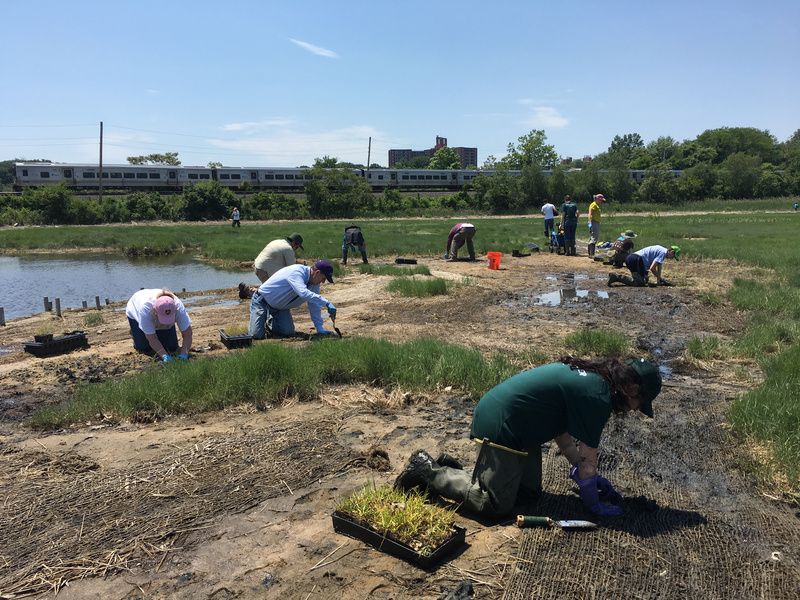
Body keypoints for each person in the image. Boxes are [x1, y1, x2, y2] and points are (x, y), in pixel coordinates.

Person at [395, 357, 662, 519]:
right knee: (494, 504)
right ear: (632, 388)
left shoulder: (597, 381)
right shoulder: (598, 398)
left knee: (528, 495)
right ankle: (426, 468)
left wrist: (580, 471)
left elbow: (563, 433)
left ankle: (453, 469)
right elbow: (589, 456)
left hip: (524, 427)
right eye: (640, 402)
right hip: (503, 424)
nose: (636, 409)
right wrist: (591, 497)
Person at [249, 259, 337, 339]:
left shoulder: (314, 284)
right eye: (323, 278)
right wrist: (327, 303)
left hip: (280, 308)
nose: (323, 282)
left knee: (287, 332)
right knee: (256, 335)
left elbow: (314, 305)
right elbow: (303, 293)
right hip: (262, 301)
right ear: (317, 272)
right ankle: (263, 318)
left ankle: (270, 321)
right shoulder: (297, 272)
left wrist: (319, 328)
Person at [125, 289, 192, 362]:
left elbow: (188, 334)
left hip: (155, 318)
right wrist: (164, 356)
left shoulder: (178, 306)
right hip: (135, 310)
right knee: (144, 348)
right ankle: (135, 332)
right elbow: (152, 338)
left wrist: (184, 354)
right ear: (155, 311)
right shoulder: (145, 309)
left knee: (171, 347)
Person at [609, 244, 680, 287]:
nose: (672, 259)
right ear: (671, 252)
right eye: (673, 256)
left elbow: (659, 266)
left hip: (631, 259)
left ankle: (617, 277)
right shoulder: (662, 253)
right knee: (639, 283)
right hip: (636, 259)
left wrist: (659, 280)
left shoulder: (662, 250)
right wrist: (660, 279)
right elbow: (652, 268)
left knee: (644, 279)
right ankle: (616, 277)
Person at [587, 193, 605, 258]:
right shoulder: (594, 205)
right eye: (601, 200)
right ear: (597, 199)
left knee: (593, 237)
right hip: (594, 222)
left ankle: (590, 254)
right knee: (594, 237)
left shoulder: (596, 205)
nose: (601, 201)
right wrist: (590, 223)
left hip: (596, 222)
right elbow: (590, 214)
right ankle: (592, 254)